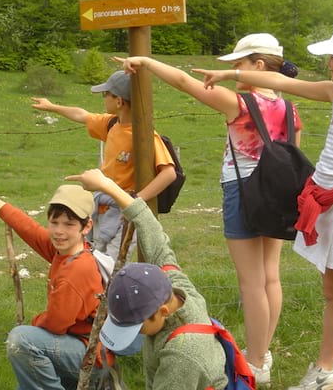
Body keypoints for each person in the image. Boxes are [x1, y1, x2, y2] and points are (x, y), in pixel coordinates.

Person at [194, 23, 333, 390]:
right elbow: (284, 84)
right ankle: (324, 372)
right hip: (326, 210)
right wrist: (229, 72)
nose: (330, 63)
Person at [114, 33, 303, 386]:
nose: (234, 70)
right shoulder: (291, 109)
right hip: (280, 195)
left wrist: (149, 63)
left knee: (251, 283)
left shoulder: (241, 103)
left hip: (243, 191)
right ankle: (264, 352)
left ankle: (257, 361)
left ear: (258, 66)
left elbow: (186, 83)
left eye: (239, 64)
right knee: (270, 275)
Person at [66, 168, 229, 390]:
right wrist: (106, 185)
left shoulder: (182, 357)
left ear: (162, 311)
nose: (135, 333)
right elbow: (148, 225)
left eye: (136, 327)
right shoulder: (175, 285)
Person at [0, 185, 111, 390]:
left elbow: (55, 324)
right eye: (54, 222)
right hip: (77, 347)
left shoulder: (78, 269)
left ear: (86, 227)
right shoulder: (67, 250)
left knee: (22, 340)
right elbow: (29, 229)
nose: (59, 231)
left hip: (90, 358)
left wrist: (35, 322)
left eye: (69, 224)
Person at [32, 71, 176, 261]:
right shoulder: (112, 124)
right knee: (93, 254)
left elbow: (169, 174)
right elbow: (82, 115)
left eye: (105, 94)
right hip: (102, 206)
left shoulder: (143, 136)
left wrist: (135, 202)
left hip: (123, 208)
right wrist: (52, 107)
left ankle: (106, 290)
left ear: (119, 102)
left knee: (112, 263)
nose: (103, 98)